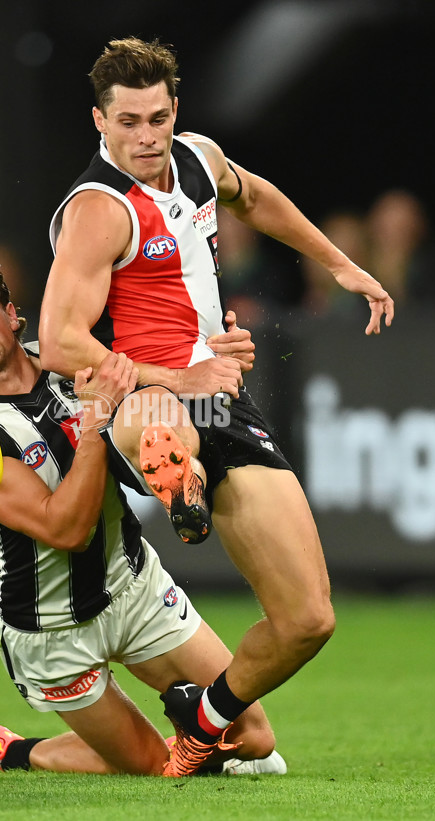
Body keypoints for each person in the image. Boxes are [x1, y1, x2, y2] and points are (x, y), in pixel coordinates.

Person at [38, 37, 395, 776]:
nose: (145, 136)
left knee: (307, 619)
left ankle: (203, 718)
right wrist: (181, 373)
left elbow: (254, 196)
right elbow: (60, 340)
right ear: (98, 122)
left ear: (177, 113)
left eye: (157, 118)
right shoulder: (99, 212)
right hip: (129, 401)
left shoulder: (197, 158)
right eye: (128, 121)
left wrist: (341, 265)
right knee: (161, 421)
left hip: (218, 401)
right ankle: (179, 483)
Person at [0, 251, 287, 777]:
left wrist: (216, 354)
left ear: (12, 314)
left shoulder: (73, 361)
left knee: (256, 742)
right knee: (163, 766)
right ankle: (22, 752)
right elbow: (65, 529)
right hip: (51, 629)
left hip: (133, 586)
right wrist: (94, 419)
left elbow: (166, 366)